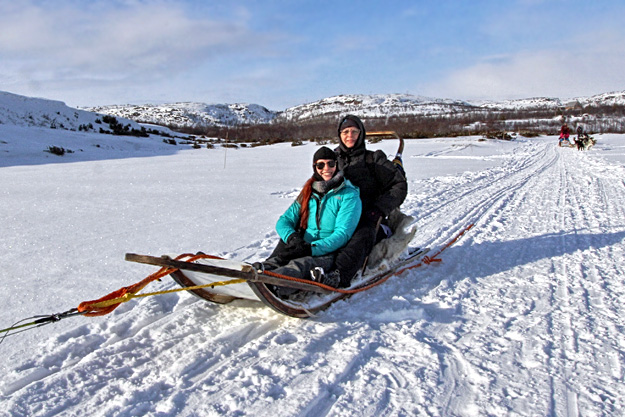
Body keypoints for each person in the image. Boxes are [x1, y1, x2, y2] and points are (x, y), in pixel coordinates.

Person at [254, 146, 362, 295]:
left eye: (331, 164)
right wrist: (293, 238)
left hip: (328, 251)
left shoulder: (348, 195)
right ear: (314, 167)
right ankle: (255, 273)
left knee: (302, 265)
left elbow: (343, 233)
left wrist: (312, 248)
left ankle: (275, 285)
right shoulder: (308, 191)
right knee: (279, 257)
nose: (326, 169)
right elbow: (284, 220)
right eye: (320, 165)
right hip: (303, 244)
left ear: (337, 165)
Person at [332, 115, 408, 287]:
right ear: (339, 135)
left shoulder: (374, 159)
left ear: (361, 134)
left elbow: (399, 186)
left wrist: (379, 209)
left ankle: (338, 276)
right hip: (340, 216)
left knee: (358, 236)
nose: (349, 135)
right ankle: (277, 267)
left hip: (371, 220)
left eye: (354, 131)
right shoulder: (333, 160)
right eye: (345, 132)